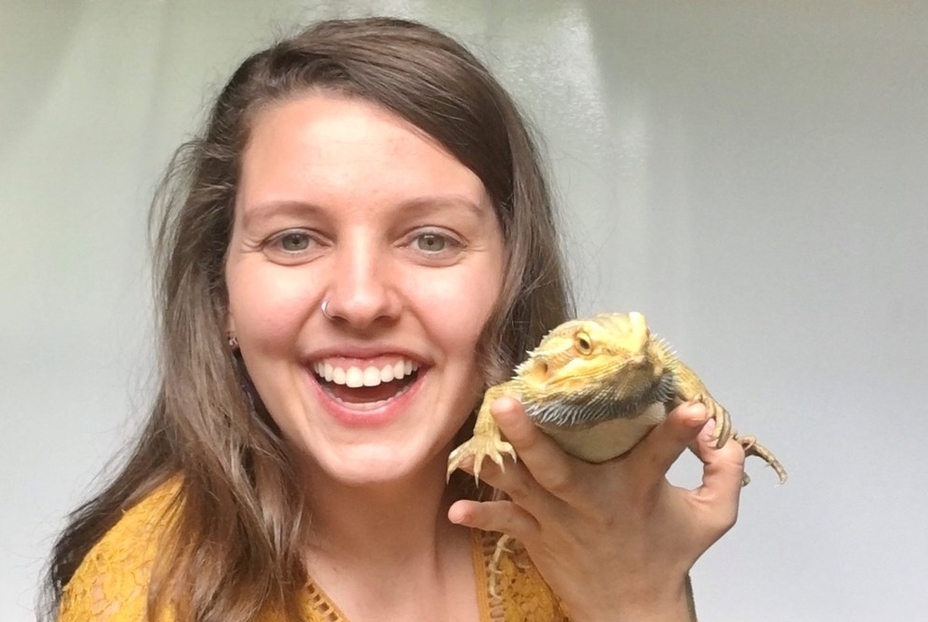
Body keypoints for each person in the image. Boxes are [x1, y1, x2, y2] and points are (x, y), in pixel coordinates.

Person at [42, 16, 746, 622]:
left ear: (511, 281)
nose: (359, 299)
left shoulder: (598, 537)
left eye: (431, 239)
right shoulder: (144, 594)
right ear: (221, 298)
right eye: (294, 239)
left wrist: (641, 602)